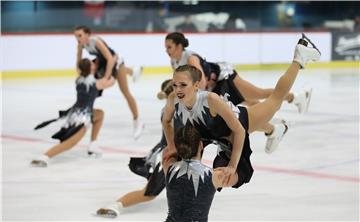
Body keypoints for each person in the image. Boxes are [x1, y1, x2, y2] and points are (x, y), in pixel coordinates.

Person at [162, 33, 320, 189]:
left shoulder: (210, 99)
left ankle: (299, 59)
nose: (177, 90)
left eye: (183, 85)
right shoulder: (173, 99)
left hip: (240, 122)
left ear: (196, 85)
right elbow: (166, 121)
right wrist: (172, 147)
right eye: (175, 85)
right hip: (214, 133)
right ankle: (275, 129)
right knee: (254, 99)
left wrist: (232, 165)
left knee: (275, 99)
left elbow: (239, 131)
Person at [95, 79, 173, 218]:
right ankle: (115, 205)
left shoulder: (173, 109)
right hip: (169, 156)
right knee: (149, 193)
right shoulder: (171, 112)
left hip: (167, 152)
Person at [31, 58, 116, 167]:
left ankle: (93, 144)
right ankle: (45, 156)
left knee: (99, 114)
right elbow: (110, 81)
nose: (94, 64)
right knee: (70, 143)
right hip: (82, 117)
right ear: (90, 69)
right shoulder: (95, 83)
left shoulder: (79, 80)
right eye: (92, 64)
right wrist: (112, 63)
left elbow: (79, 66)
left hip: (75, 112)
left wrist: (79, 49)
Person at [74, 25, 144, 140]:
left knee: (125, 92)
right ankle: (133, 71)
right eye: (76, 36)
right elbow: (79, 62)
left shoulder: (95, 41)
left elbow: (111, 59)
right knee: (92, 91)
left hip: (115, 62)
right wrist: (80, 74)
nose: (77, 38)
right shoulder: (80, 45)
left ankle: (138, 121)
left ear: (87, 34)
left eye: (80, 35)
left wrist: (106, 77)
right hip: (102, 64)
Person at [162, 124, 231, 222]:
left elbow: (166, 124)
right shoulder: (216, 176)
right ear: (201, 145)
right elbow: (239, 174)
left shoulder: (168, 166)